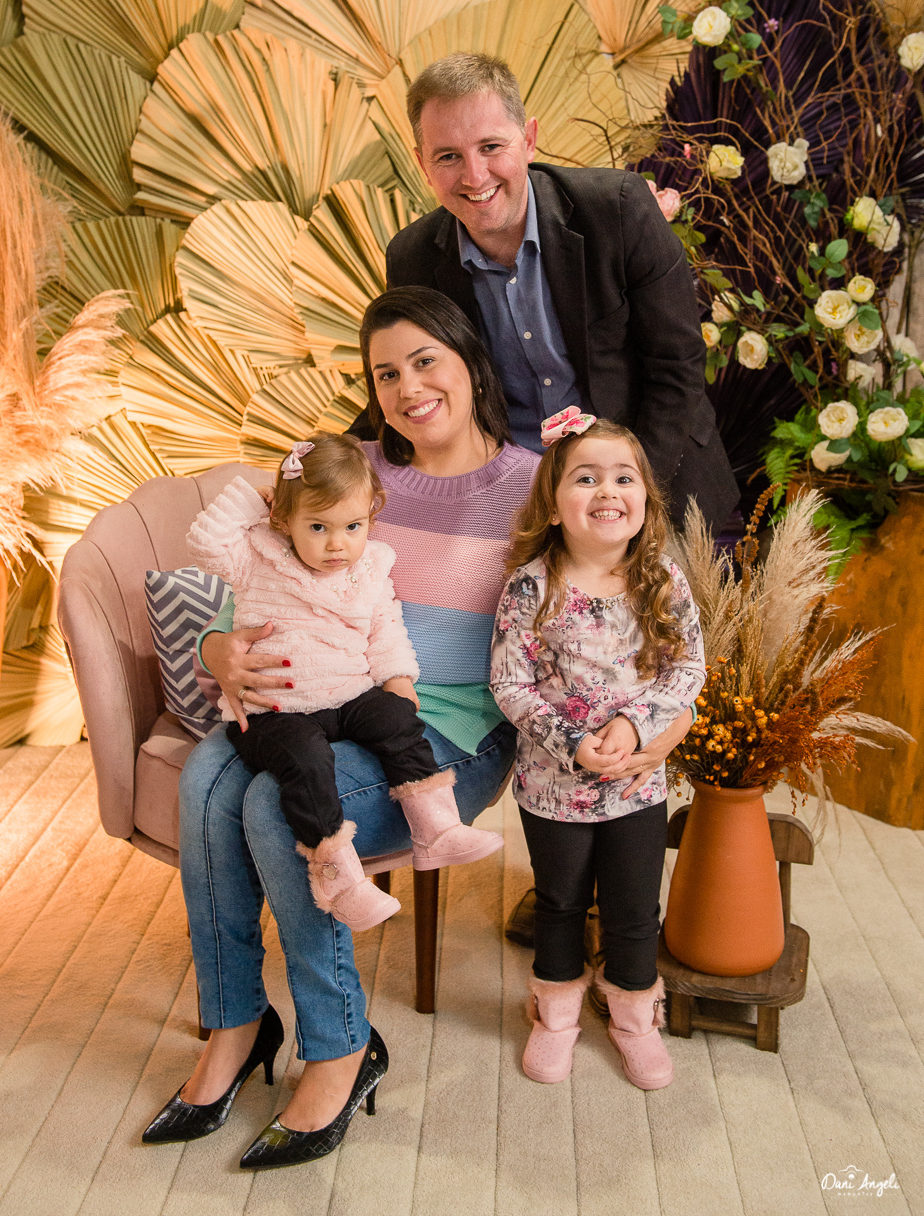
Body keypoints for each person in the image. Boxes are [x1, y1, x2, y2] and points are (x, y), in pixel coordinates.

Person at [143, 287, 692, 1172]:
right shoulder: (349, 470)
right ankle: (236, 1025)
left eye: (425, 361)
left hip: (453, 732)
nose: (407, 388)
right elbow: (257, 566)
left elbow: (628, 577)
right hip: (324, 699)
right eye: (385, 373)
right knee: (208, 780)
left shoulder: (535, 481)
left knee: (274, 811)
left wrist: (664, 714)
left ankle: (339, 1047)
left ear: (471, 363)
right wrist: (216, 647)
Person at [351, 51, 739, 534]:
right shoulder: (412, 257)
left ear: (529, 139)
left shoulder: (618, 209)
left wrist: (626, 497)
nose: (474, 176)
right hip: (515, 508)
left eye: (491, 146)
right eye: (448, 156)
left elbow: (677, 367)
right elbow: (406, 387)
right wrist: (314, 466)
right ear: (423, 166)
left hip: (661, 485)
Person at [185, 432, 503, 934]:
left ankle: (435, 827)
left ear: (371, 518)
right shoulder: (256, 556)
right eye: (318, 527)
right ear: (284, 521)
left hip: (347, 695)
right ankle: (339, 879)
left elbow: (385, 628)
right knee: (307, 762)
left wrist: (398, 678)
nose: (337, 544)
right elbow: (205, 543)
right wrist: (254, 498)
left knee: (395, 718)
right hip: (276, 712)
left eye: (353, 526)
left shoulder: (371, 566)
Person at [491, 409, 706, 1090]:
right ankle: (555, 1014)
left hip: (637, 785)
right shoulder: (531, 585)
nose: (607, 490)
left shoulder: (662, 579)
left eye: (623, 478)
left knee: (634, 908)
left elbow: (687, 669)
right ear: (554, 504)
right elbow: (509, 682)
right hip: (553, 785)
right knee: (558, 902)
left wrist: (638, 727)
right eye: (585, 478)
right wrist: (573, 742)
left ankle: (635, 1017)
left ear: (645, 498)